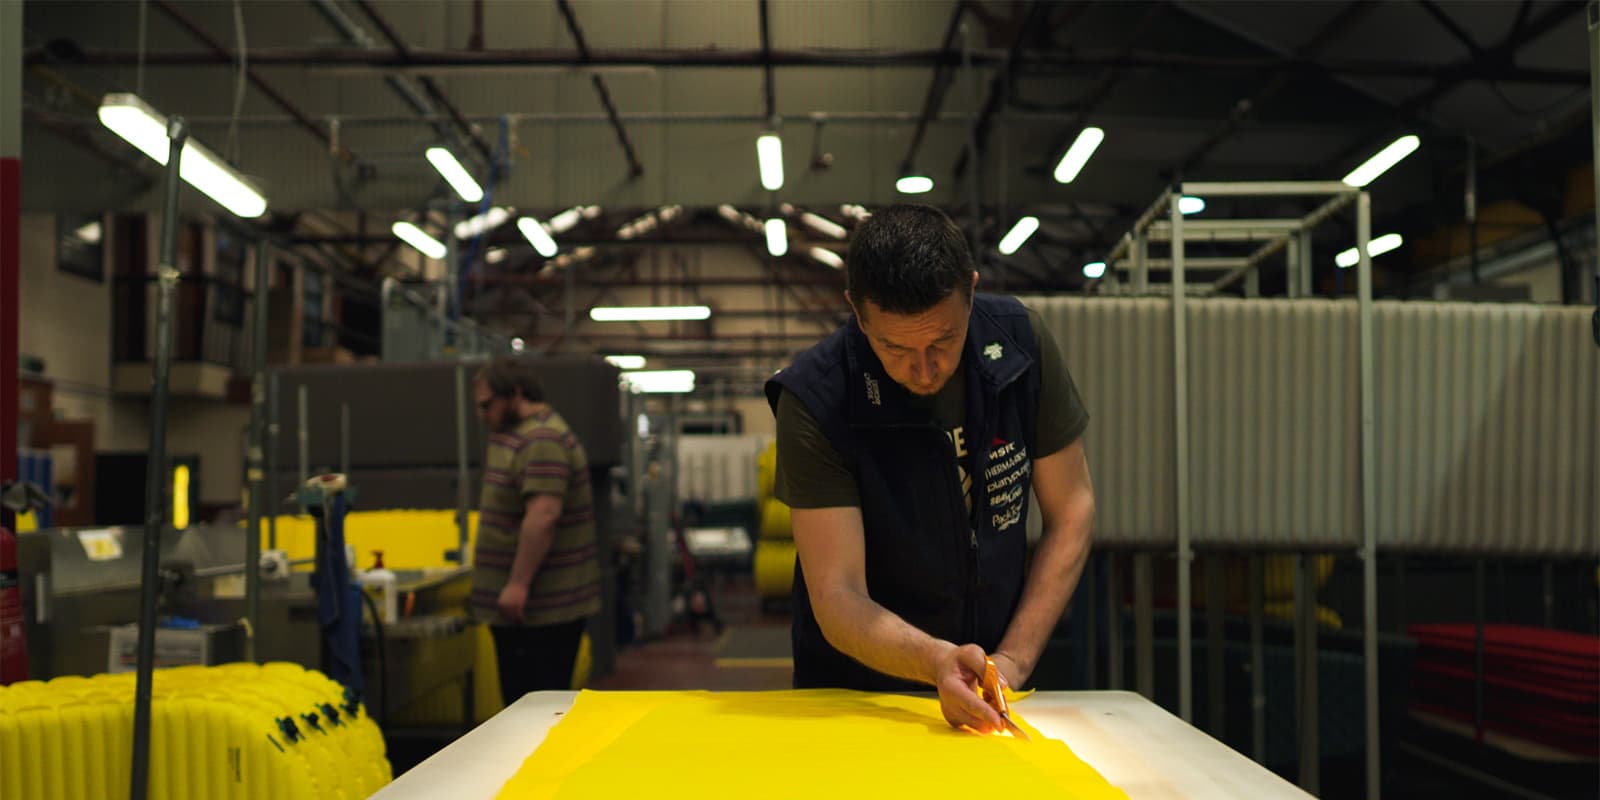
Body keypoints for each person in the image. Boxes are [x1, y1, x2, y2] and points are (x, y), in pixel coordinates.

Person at [765, 204, 1095, 734]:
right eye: (894, 347)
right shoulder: (815, 398)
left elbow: (1072, 509)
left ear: (971, 290)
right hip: (857, 700)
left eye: (943, 340)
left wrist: (1010, 662)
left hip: (996, 686)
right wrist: (937, 662)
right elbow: (837, 593)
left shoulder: (1019, 347)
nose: (924, 369)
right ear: (856, 309)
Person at [470, 357, 601, 706]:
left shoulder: (541, 439)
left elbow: (543, 516)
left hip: (540, 613)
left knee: (532, 715)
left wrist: (516, 585)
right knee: (522, 712)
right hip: (529, 613)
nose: (483, 416)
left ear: (514, 394)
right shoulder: (518, 436)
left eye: (487, 406)